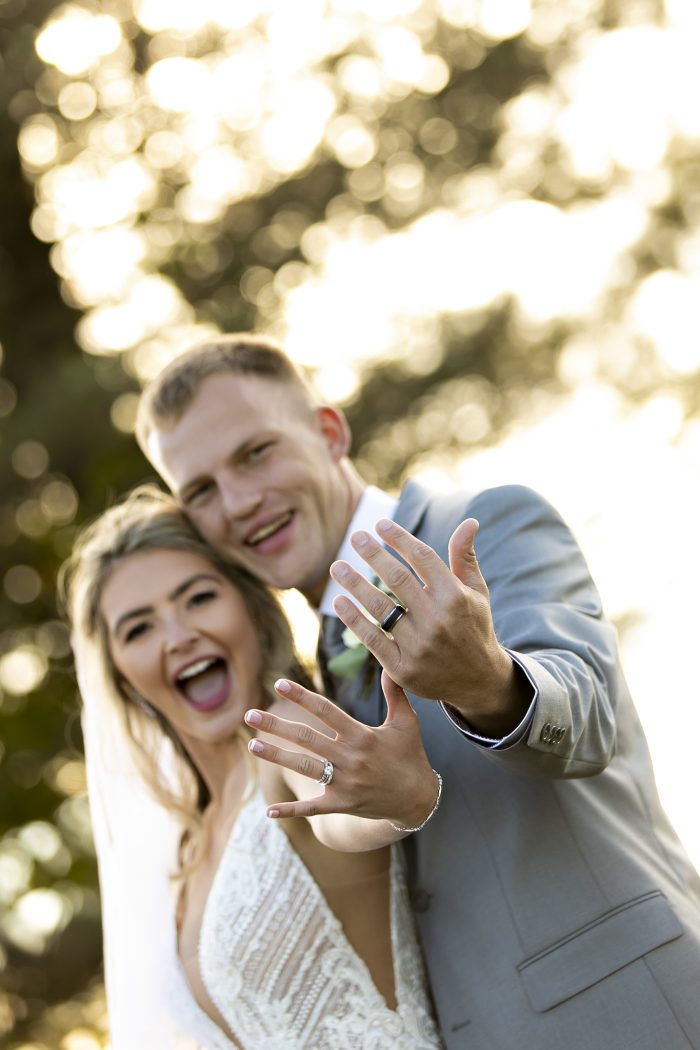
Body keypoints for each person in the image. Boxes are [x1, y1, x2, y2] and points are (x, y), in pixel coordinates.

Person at [130, 333, 700, 1050]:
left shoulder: (482, 525)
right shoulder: (308, 675)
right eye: (202, 491)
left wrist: (489, 682)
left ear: (328, 432)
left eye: (256, 453)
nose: (240, 502)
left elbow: (585, 713)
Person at [61, 485, 444, 1050]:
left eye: (198, 598)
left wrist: (399, 800)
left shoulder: (286, 729)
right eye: (138, 628)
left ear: (249, 608)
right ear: (119, 675)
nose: (178, 636)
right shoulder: (182, 852)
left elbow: (342, 811)